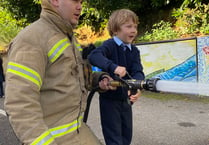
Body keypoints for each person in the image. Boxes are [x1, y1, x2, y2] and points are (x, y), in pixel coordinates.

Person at [4, 0, 114, 144]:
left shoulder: (66, 36)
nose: (80, 6)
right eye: (75, 1)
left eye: (81, 2)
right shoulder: (32, 39)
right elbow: (19, 104)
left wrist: (99, 79)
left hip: (78, 132)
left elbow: (72, 78)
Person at [88, 9, 145, 145]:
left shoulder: (134, 50)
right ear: (115, 30)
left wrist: (137, 89)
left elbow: (138, 71)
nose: (133, 30)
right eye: (129, 26)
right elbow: (94, 56)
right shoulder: (109, 45)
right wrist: (113, 67)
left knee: (126, 137)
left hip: (126, 101)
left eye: (135, 27)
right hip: (109, 102)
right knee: (114, 139)